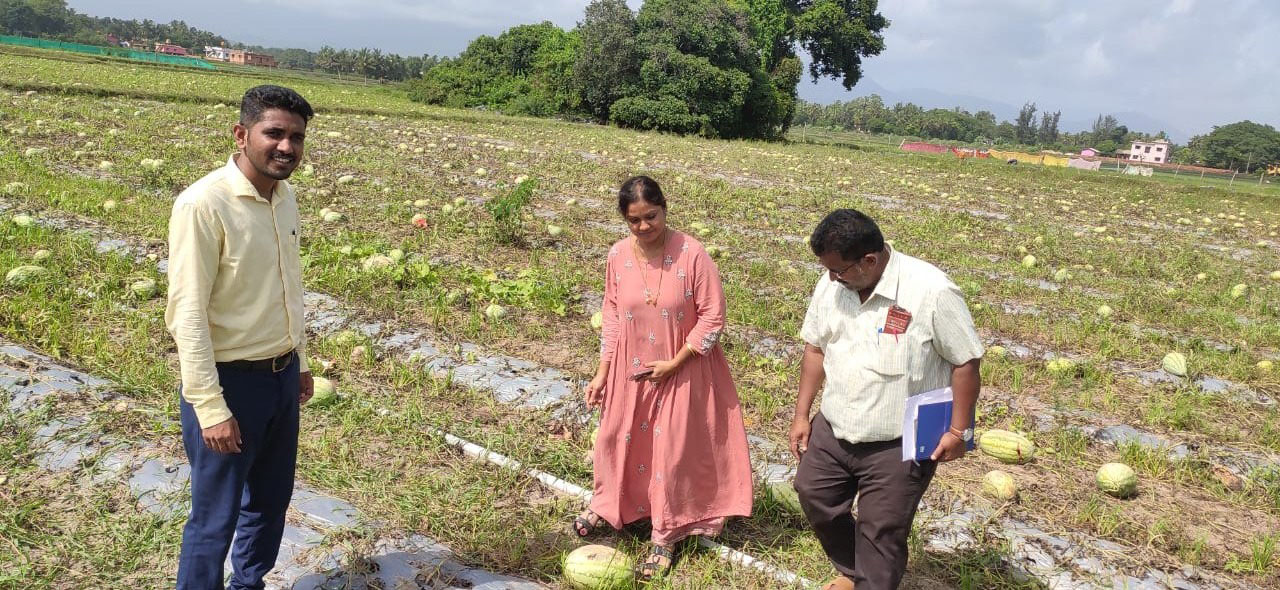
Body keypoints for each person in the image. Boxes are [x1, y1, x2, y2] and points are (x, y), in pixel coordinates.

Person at [166, 84, 315, 590]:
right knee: (214, 520)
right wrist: (210, 407)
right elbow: (187, 315)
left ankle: (248, 584)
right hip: (230, 385)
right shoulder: (203, 204)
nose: (286, 147)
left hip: (281, 376)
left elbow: (286, 285)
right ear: (241, 133)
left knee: (271, 504)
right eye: (274, 133)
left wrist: (300, 358)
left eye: (296, 137)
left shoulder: (284, 197)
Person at [788, 209, 983, 590]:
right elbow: (815, 349)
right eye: (827, 270)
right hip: (836, 425)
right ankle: (853, 569)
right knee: (813, 493)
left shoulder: (932, 291)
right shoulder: (834, 282)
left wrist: (960, 430)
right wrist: (802, 415)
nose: (831, 278)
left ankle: (871, 580)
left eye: (839, 271)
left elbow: (966, 362)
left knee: (882, 531)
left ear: (870, 261)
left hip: (899, 440)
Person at [575, 175, 753, 581]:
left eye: (650, 216)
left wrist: (676, 361)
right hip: (629, 370)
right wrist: (602, 373)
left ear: (664, 208)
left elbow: (713, 317)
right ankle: (609, 506)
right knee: (614, 438)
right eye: (634, 220)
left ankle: (666, 535)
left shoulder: (693, 254)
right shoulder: (618, 256)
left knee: (671, 453)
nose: (643, 227)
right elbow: (614, 319)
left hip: (683, 370)